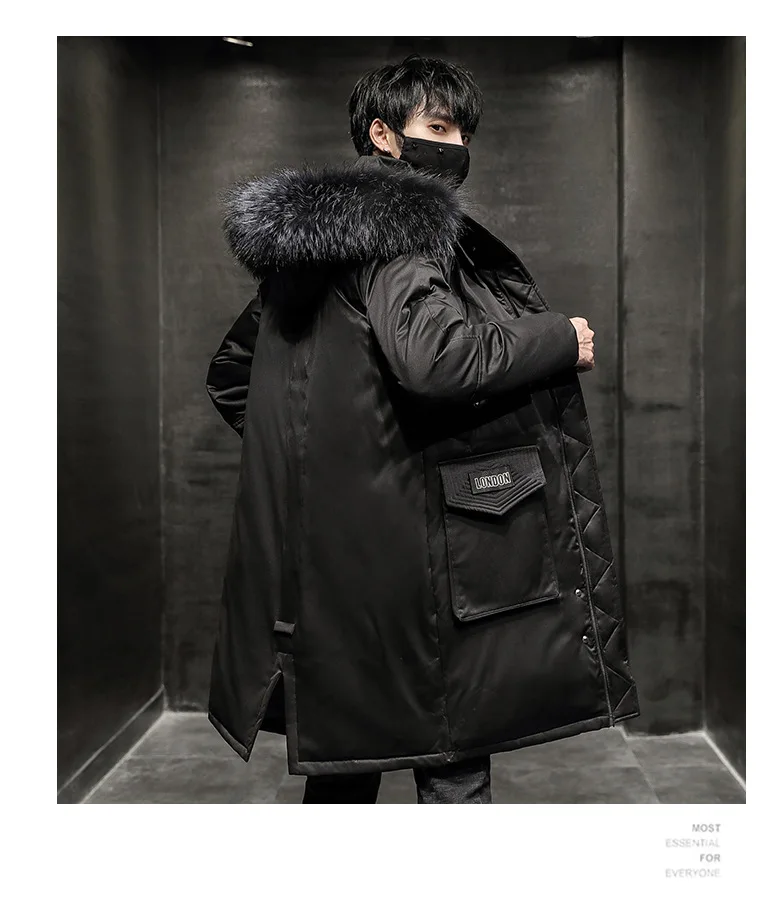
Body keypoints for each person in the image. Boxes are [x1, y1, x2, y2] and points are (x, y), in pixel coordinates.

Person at [205, 54, 640, 804]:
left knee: (345, 766)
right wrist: (559, 338)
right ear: (382, 134)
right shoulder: (401, 228)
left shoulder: (310, 249)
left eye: (463, 132)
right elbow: (437, 359)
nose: (456, 146)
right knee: (452, 760)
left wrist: (343, 464)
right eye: (437, 128)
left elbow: (233, 375)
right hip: (414, 571)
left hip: (334, 576)